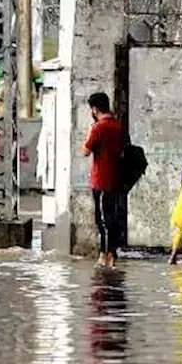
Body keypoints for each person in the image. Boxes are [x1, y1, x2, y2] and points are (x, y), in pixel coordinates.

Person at [81, 92, 126, 269]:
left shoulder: (99, 127)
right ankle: (112, 255)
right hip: (116, 179)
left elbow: (85, 151)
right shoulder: (118, 125)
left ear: (94, 109)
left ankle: (104, 256)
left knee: (102, 221)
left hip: (101, 180)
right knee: (112, 219)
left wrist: (90, 131)